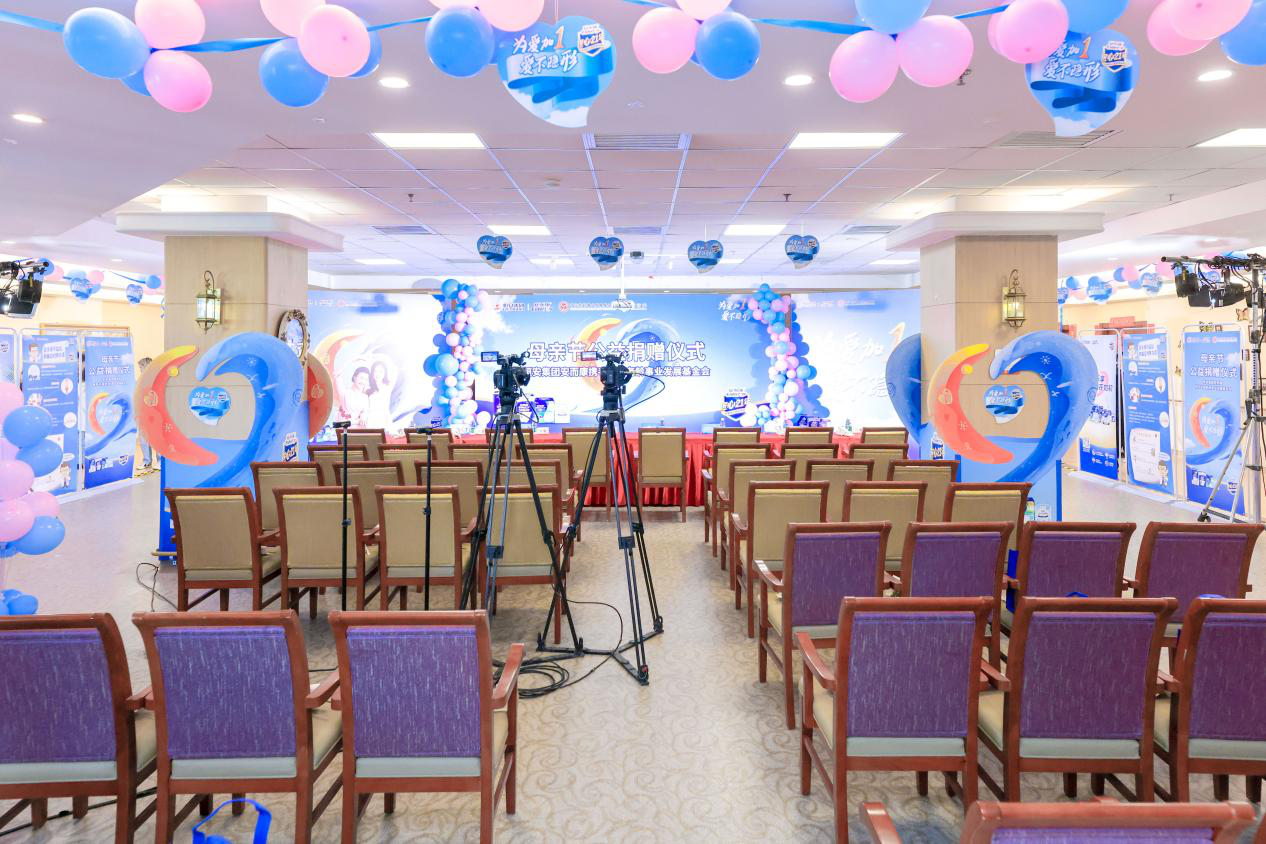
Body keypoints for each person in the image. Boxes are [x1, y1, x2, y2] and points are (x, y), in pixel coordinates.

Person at [136, 357, 153, 471]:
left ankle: (160, 461)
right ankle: (146, 461)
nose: (140, 369)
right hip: (142, 413)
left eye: (141, 367)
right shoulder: (139, 380)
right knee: (143, 438)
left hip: (153, 414)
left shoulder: (155, 379)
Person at [367, 360, 393, 429]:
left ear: (385, 373)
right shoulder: (367, 387)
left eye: (381, 371)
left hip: (383, 419)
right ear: (372, 372)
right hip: (370, 420)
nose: (378, 374)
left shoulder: (388, 387)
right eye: (375, 371)